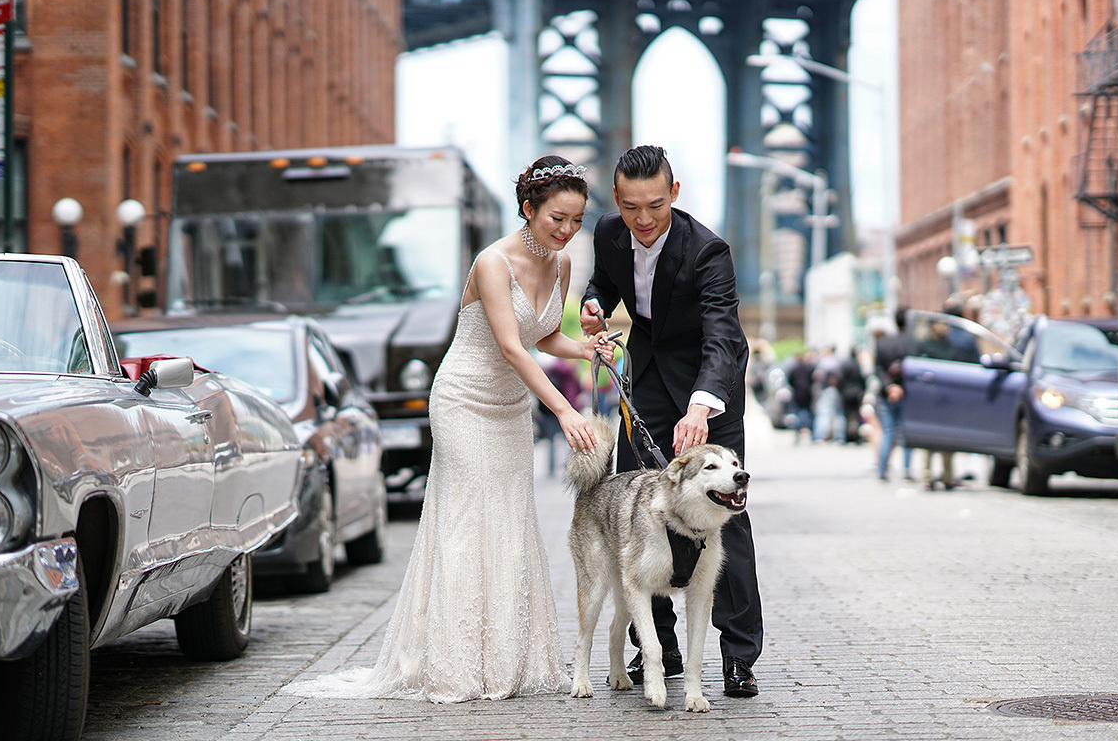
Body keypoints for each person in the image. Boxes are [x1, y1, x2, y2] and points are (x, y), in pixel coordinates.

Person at [286, 155, 615, 703]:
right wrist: (564, 410)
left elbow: (545, 335)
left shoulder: (561, 266)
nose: (567, 230)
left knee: (509, 519)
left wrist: (586, 350)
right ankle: (455, 664)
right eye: (557, 218)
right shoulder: (493, 262)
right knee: (466, 520)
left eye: (577, 220)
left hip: (510, 408)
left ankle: (505, 658)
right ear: (528, 209)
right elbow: (510, 345)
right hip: (464, 399)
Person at [580, 145, 762, 699]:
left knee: (725, 512)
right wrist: (592, 301)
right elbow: (607, 283)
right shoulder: (610, 233)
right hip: (650, 381)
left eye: (655, 205)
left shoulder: (709, 251)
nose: (643, 219)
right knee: (642, 511)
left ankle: (737, 655)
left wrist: (702, 408)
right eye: (632, 207)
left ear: (674, 194)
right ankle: (656, 648)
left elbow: (722, 335)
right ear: (616, 200)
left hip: (711, 382)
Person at [874, 307, 915, 481]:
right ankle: (906, 469)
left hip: (887, 394)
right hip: (907, 393)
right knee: (906, 433)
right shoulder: (913, 342)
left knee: (888, 432)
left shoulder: (883, 342)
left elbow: (877, 369)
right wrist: (899, 388)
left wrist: (890, 387)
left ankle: (883, 469)